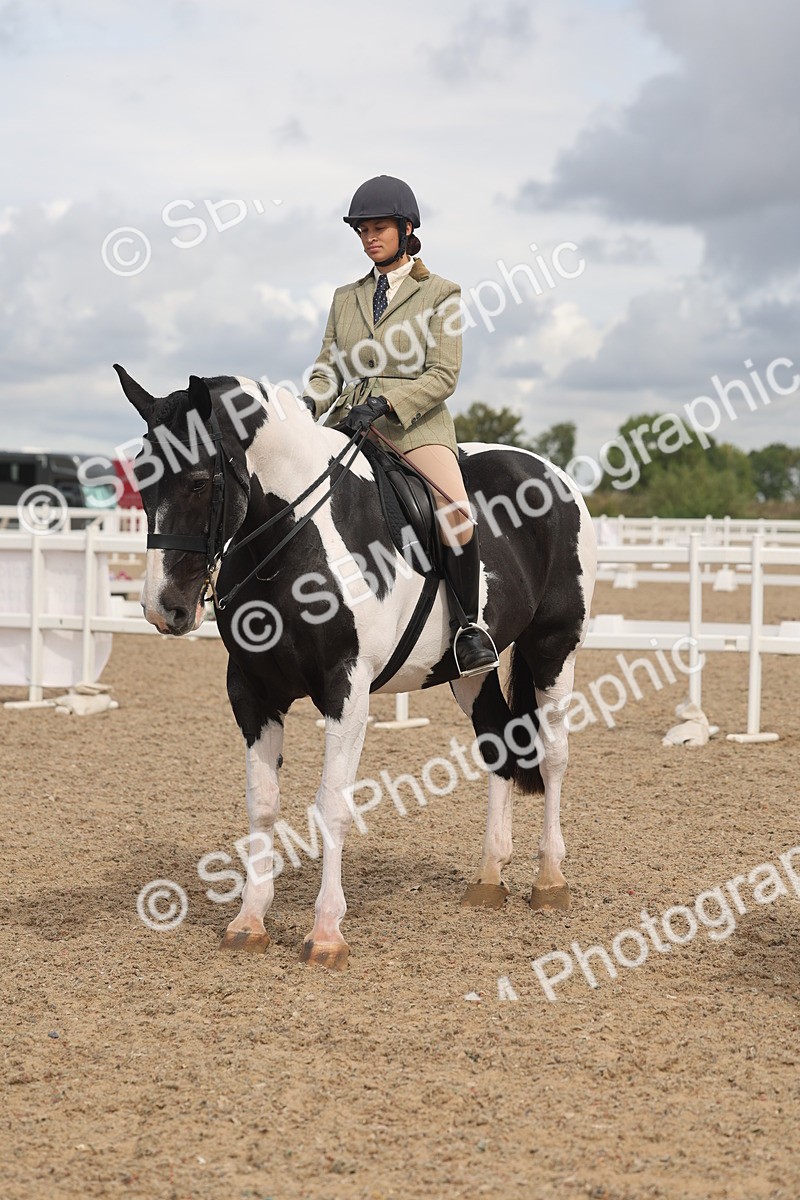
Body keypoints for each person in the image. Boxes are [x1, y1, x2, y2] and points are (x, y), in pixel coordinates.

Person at [302, 174, 499, 676]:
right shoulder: (346, 297)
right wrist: (308, 405)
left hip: (414, 429)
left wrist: (388, 404)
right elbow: (329, 365)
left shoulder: (441, 293)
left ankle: (467, 626)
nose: (369, 237)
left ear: (406, 228)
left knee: (453, 509)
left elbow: (444, 374)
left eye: (379, 228)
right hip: (349, 422)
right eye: (362, 230)